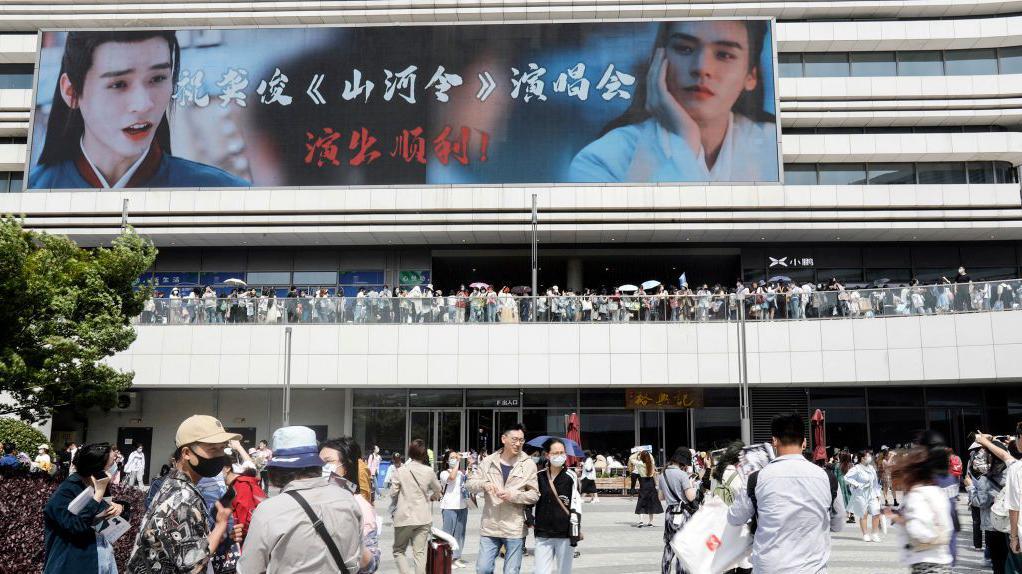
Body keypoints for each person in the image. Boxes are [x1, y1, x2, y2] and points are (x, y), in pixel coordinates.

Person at [29, 31, 251, 189]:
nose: (144, 104)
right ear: (71, 92)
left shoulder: (225, 192)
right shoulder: (30, 197)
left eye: (157, 78)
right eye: (119, 84)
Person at [570, 20, 777, 183]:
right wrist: (685, 139)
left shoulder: (775, 149)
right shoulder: (601, 161)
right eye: (685, 49)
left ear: (751, 76)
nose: (701, 67)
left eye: (724, 55)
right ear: (658, 59)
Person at [727, 412, 845, 573]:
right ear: (804, 442)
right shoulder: (828, 478)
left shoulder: (756, 479)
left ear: (774, 441)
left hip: (769, 568)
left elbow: (734, 518)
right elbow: (838, 524)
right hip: (813, 569)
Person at [237, 427, 366, 574]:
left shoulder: (269, 510)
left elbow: (249, 569)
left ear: (277, 470)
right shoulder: (348, 499)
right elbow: (360, 556)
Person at [126, 415, 240, 573]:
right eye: (213, 449)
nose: (220, 456)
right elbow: (194, 565)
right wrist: (221, 525)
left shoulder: (172, 482)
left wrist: (217, 535)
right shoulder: (184, 500)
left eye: (222, 448)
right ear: (186, 453)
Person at [467, 423, 540, 574]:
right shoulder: (488, 461)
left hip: (514, 528)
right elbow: (470, 484)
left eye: (521, 440)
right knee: (483, 569)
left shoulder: (528, 464)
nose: (518, 443)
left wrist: (514, 495)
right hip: (490, 526)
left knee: (511, 571)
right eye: (514, 439)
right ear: (503, 439)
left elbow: (534, 495)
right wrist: (484, 484)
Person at [43, 442, 125, 574]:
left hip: (103, 557)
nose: (113, 468)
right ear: (96, 467)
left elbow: (103, 515)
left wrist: (119, 507)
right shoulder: (66, 491)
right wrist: (98, 494)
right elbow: (75, 526)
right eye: (110, 465)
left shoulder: (98, 483)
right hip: (74, 562)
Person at [883, 435, 954, 574]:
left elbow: (918, 530)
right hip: (943, 560)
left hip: (925, 563)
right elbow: (948, 525)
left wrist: (901, 520)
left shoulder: (916, 495)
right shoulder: (937, 491)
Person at [320, 436, 382, 574]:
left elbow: (370, 564)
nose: (321, 467)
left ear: (346, 466)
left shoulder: (358, 504)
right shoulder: (314, 497)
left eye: (327, 462)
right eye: (318, 463)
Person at [391, 438, 441, 574]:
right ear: (424, 455)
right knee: (419, 553)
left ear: (410, 453)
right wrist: (433, 497)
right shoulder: (429, 471)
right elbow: (438, 490)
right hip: (423, 517)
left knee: (399, 550)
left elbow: (393, 493)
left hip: (404, 517)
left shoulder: (400, 471)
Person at [533, 439, 582, 574]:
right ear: (547, 455)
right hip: (543, 533)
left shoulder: (571, 477)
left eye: (562, 452)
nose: (559, 456)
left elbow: (576, 505)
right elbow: (530, 500)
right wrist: (529, 519)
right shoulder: (539, 476)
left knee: (564, 571)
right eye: (555, 453)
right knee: (540, 571)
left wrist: (575, 532)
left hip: (564, 533)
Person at [659, 446, 698, 574]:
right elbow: (690, 497)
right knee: (682, 545)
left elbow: (661, 497)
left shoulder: (663, 474)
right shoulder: (682, 475)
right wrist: (693, 485)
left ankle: (665, 571)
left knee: (669, 545)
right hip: (683, 513)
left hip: (670, 513)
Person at [439, 451, 470, 570]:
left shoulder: (461, 473)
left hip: (462, 506)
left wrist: (470, 465)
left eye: (456, 457)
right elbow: (451, 478)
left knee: (460, 534)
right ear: (447, 461)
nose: (455, 459)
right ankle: (446, 558)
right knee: (448, 534)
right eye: (452, 458)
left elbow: (470, 481)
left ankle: (456, 557)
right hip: (449, 507)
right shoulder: (443, 473)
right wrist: (458, 462)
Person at [845, 449, 884, 542]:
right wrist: (856, 484)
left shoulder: (871, 468)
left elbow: (875, 482)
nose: (870, 457)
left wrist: (878, 494)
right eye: (868, 456)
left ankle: (875, 534)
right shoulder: (856, 468)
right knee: (864, 514)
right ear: (862, 458)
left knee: (876, 512)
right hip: (861, 494)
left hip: (872, 493)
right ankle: (865, 534)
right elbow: (846, 477)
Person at [633, 450, 663, 527]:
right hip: (651, 484)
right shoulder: (652, 463)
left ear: (641, 457)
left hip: (643, 484)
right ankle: (650, 522)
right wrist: (648, 454)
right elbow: (654, 474)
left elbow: (631, 458)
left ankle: (641, 521)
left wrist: (638, 452)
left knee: (641, 501)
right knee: (651, 502)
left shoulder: (639, 464)